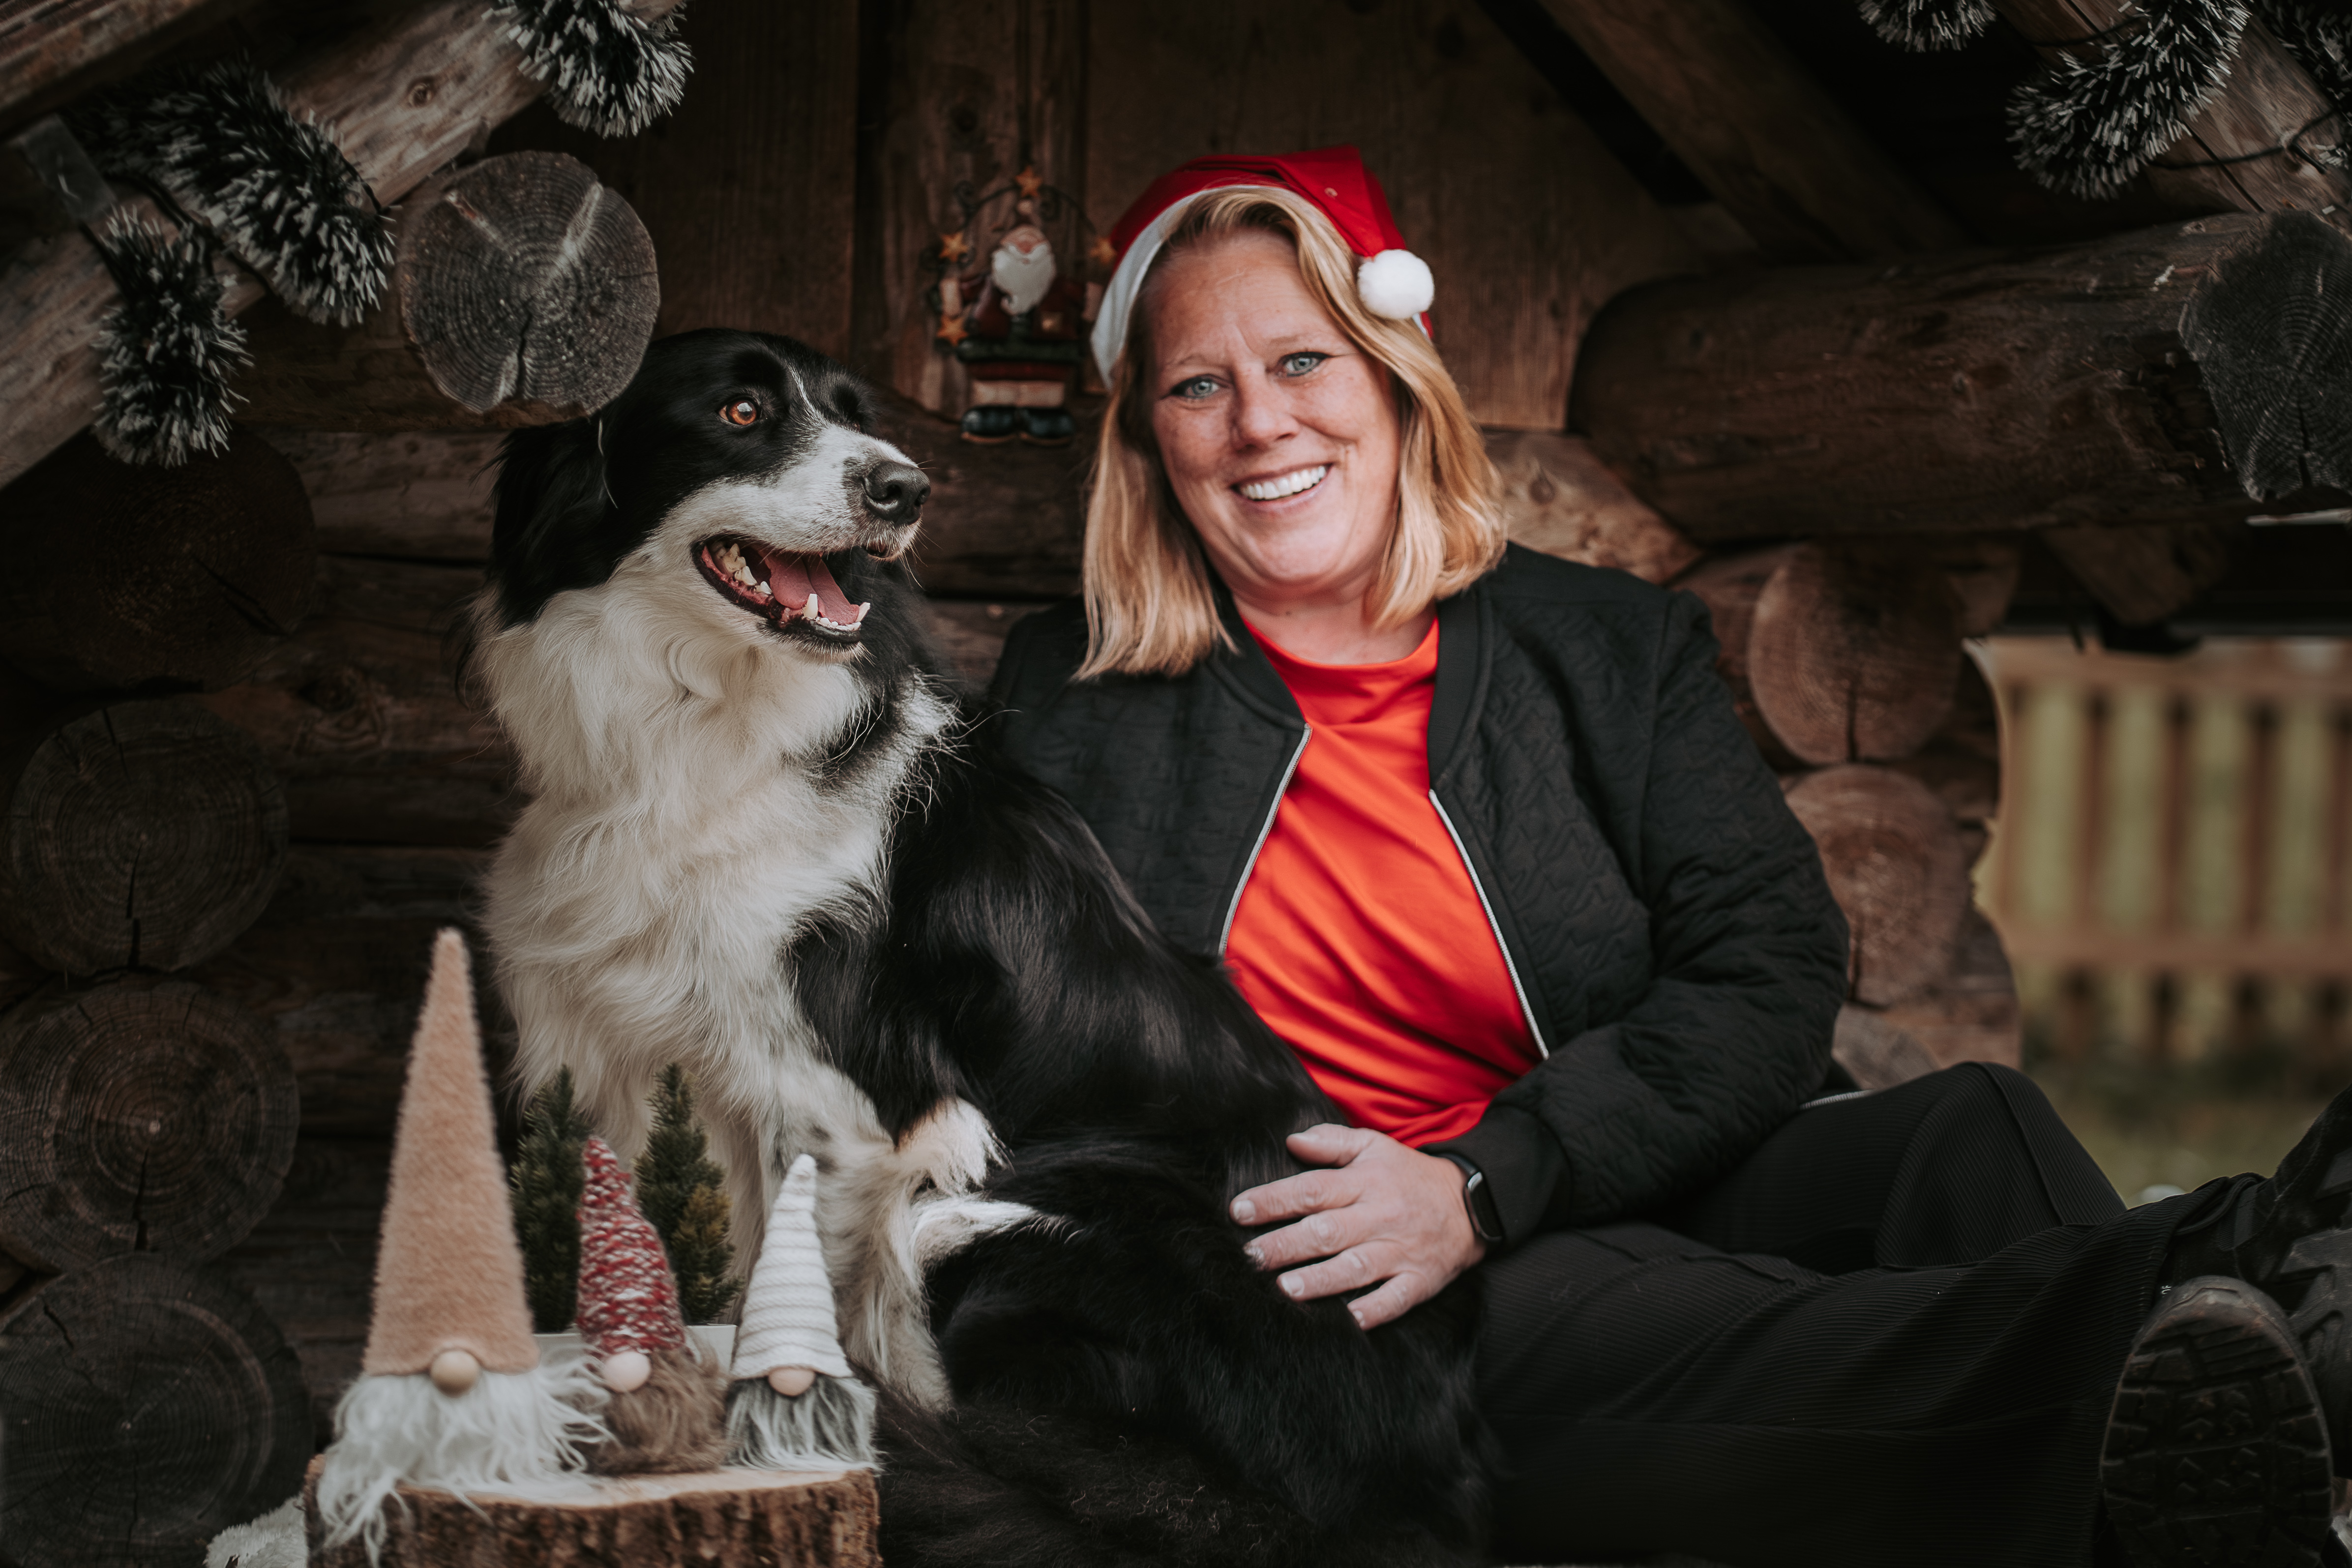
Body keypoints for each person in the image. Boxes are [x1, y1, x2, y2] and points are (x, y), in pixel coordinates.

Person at [984, 145, 2352, 1568]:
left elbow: (1772, 967)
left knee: (1972, 1133)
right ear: (1149, 442)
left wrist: (1487, 1180)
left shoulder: (1601, 649)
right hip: (1333, 1296)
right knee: (1666, 1317)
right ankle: (2254, 1291)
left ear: (1397, 380)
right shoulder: (1068, 707)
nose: (1262, 423)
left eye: (1305, 361)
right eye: (1198, 385)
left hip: (1562, 1179)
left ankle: (2206, 1435)